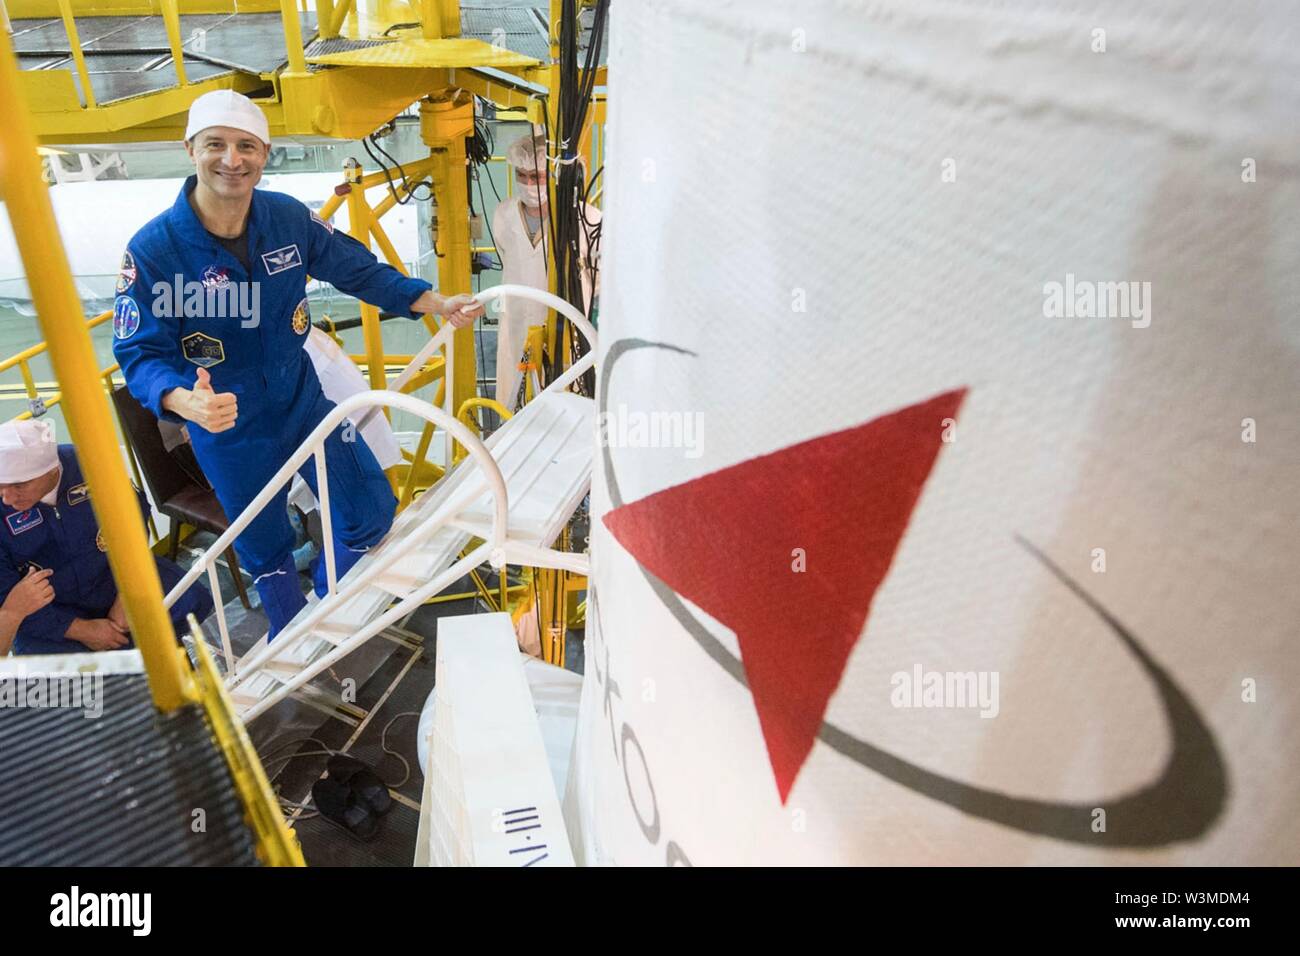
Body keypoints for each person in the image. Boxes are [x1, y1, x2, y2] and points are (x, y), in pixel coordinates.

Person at [112, 90, 484, 638]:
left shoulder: (286, 219)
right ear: (190, 148)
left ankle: (333, 604)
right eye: (215, 144)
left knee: (371, 510)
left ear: (264, 153)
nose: (231, 160)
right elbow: (139, 350)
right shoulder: (155, 251)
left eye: (245, 146)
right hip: (229, 427)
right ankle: (294, 643)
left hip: (302, 403)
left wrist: (433, 301)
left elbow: (358, 269)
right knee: (267, 551)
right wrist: (179, 399)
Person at [0, 419, 214, 655]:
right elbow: (8, 599)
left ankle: (170, 665)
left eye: (19, 485)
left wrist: (127, 594)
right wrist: (80, 630)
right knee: (51, 676)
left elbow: (134, 515)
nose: (7, 498)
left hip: (113, 577)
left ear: (52, 470)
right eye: (1, 485)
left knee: (193, 601)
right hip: (51, 610)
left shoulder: (90, 464)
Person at [491, 131, 601, 412]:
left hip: (567, 330)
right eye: (522, 175)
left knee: (569, 402)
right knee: (514, 401)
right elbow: (508, 256)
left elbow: (599, 279)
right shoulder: (504, 214)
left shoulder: (586, 219)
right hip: (516, 322)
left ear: (554, 177)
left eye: (536, 177)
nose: (528, 184)